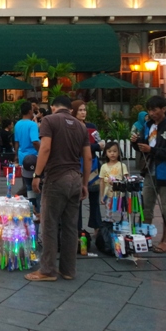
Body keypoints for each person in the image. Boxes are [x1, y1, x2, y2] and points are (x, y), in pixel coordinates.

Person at [25, 95, 90, 282]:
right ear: (71, 109)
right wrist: (84, 183)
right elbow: (87, 158)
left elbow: (45, 148)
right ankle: (68, 270)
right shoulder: (81, 126)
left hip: (56, 178)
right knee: (70, 227)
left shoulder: (49, 120)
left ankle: (47, 270)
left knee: (49, 224)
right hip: (75, 178)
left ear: (53, 107)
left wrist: (37, 175)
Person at [131, 95, 166, 254]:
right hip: (149, 171)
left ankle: (165, 240)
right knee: (146, 205)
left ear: (164, 109)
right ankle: (146, 238)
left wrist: (151, 150)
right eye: (149, 110)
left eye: (155, 110)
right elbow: (143, 147)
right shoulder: (147, 125)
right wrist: (135, 142)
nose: (152, 113)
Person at [72, 100, 103, 234]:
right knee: (77, 199)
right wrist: (96, 147)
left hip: (93, 166)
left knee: (94, 199)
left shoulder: (91, 126)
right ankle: (78, 229)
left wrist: (99, 146)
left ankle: (97, 227)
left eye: (84, 110)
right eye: (80, 110)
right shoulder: (71, 127)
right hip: (77, 166)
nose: (83, 112)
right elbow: (77, 147)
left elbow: (100, 143)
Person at [13, 101, 41, 210]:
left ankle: (28, 202)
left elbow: (16, 142)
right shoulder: (32, 125)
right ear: (30, 111)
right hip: (33, 157)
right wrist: (41, 152)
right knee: (32, 184)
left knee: (26, 181)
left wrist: (16, 155)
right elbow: (35, 141)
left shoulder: (18, 124)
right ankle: (33, 206)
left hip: (22, 156)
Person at [99, 141, 129, 219]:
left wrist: (118, 182)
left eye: (115, 151)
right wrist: (102, 196)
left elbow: (126, 179)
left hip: (121, 195)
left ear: (119, 153)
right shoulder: (103, 167)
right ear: (106, 153)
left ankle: (124, 226)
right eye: (109, 151)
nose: (112, 153)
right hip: (108, 194)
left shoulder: (122, 165)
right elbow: (101, 181)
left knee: (124, 213)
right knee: (108, 213)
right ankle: (109, 226)